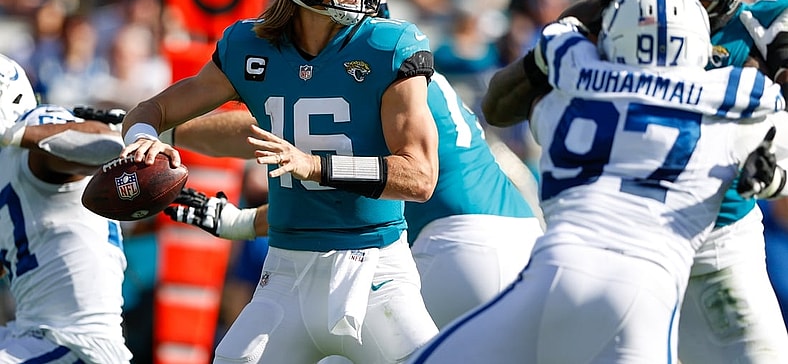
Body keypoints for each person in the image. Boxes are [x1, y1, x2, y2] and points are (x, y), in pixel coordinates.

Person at [408, 0, 787, 363]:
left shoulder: (565, 100)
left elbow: (538, 69)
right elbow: (773, 154)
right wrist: (773, 175)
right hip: (644, 291)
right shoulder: (734, 113)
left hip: (554, 271)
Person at [118, 0, 441, 362]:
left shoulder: (388, 45)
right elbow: (149, 112)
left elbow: (420, 177)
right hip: (285, 271)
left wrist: (316, 166)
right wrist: (142, 140)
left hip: (375, 271)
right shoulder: (248, 46)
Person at [163, 70, 544, 330]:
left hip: (456, 249)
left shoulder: (376, 73)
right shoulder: (420, 82)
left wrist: (157, 129)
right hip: (524, 242)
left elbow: (265, 136)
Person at [0, 53, 132, 363]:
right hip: (34, 336)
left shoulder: (32, 129)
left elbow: (106, 144)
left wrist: (15, 134)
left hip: (80, 344)